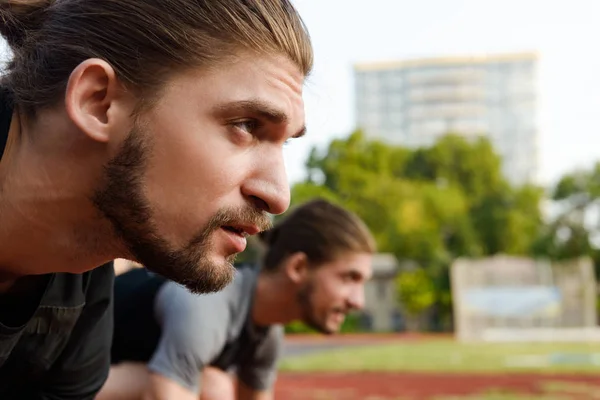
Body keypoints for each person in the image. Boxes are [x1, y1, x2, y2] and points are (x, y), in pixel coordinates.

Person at [0, 0, 312, 397]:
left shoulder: (82, 275)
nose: (279, 196)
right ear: (98, 102)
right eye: (246, 125)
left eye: (285, 143)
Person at [98, 199, 376, 400]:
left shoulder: (266, 333)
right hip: (60, 371)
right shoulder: (208, 305)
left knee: (212, 385)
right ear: (298, 268)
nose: (358, 301)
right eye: (349, 278)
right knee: (212, 387)